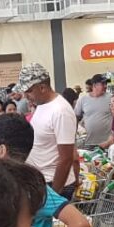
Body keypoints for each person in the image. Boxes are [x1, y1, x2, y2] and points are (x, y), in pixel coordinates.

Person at [15, 64, 78, 199]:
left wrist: (54, 195)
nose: (26, 96)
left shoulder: (60, 111)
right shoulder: (42, 105)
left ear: (42, 87)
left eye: (29, 91)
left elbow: (66, 158)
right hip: (41, 180)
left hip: (53, 183)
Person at [74, 75, 113, 148]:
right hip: (89, 142)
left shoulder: (110, 98)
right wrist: (74, 133)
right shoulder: (83, 99)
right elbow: (75, 116)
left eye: (106, 84)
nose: (105, 86)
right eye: (103, 84)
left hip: (107, 143)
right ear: (94, 85)